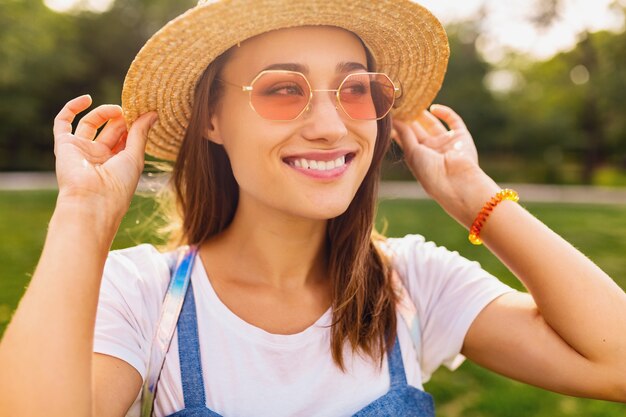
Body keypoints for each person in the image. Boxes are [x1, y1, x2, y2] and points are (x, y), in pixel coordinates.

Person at [1, 0, 625, 416]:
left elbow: (615, 361)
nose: (331, 125)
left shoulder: (413, 283)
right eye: (281, 89)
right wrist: (83, 218)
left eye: (356, 90)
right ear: (211, 118)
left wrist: (474, 196)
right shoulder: (141, 295)